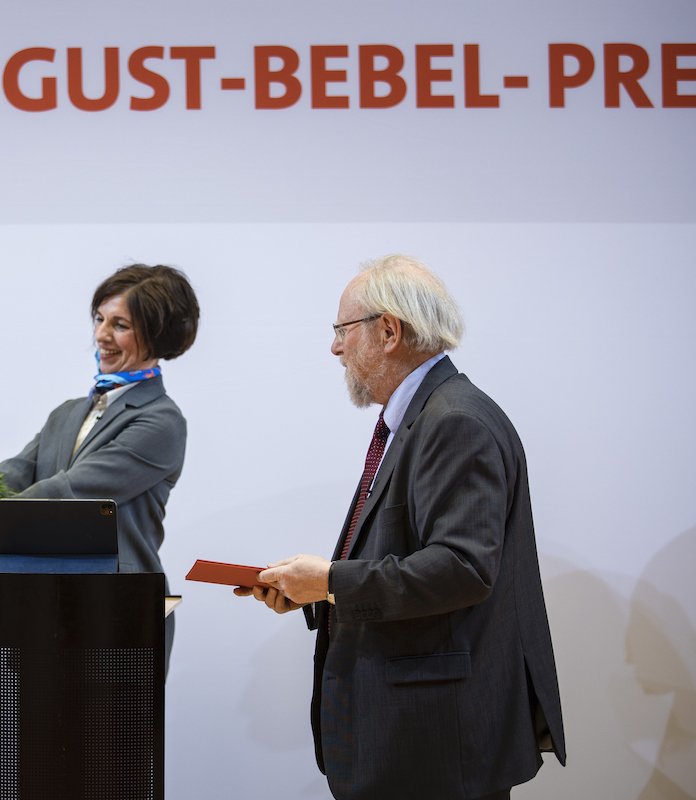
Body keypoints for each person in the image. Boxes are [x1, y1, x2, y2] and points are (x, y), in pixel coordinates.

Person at [237, 255, 565, 799]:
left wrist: (332, 582)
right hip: (418, 740)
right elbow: (410, 556)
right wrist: (315, 592)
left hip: (433, 746)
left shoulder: (454, 421)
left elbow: (461, 568)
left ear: (387, 331)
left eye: (342, 331)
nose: (335, 348)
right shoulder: (426, 417)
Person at [0, 263, 199, 671]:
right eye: (100, 319)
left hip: (116, 609)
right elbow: (12, 476)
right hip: (37, 605)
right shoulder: (67, 413)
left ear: (159, 335)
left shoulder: (161, 421)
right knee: (35, 731)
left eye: (120, 324)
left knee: (105, 734)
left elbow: (68, 495)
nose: (102, 335)